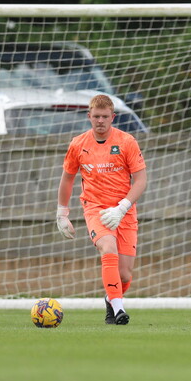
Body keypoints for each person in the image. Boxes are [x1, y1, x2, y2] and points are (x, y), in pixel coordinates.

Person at [57, 95, 147, 325]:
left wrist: (122, 207)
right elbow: (67, 178)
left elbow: (141, 180)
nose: (100, 121)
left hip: (124, 211)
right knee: (108, 247)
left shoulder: (127, 142)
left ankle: (111, 297)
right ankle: (118, 309)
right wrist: (62, 213)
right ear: (89, 116)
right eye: (96, 116)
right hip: (95, 208)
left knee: (124, 274)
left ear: (112, 117)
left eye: (105, 117)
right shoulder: (78, 144)